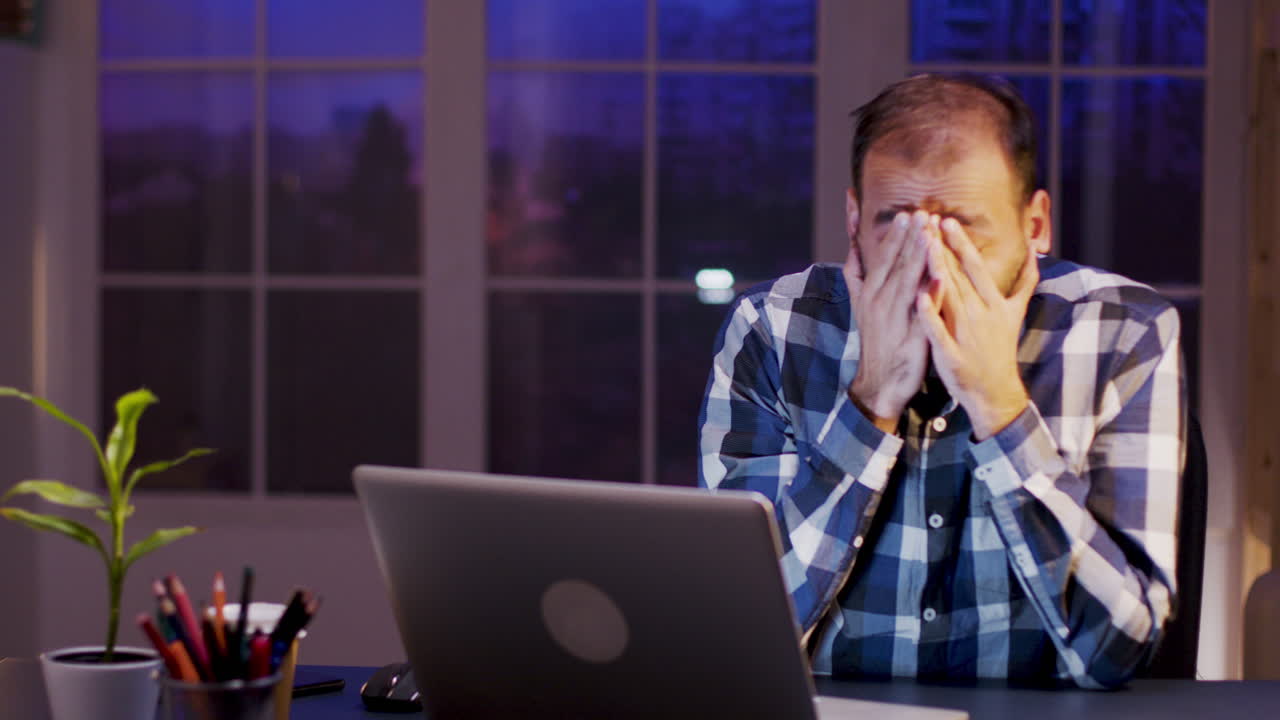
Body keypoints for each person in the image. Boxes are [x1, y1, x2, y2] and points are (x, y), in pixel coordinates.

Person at [697, 73, 1185, 689]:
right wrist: (870, 400)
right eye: (894, 223)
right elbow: (738, 633)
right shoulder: (771, 330)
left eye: (962, 226)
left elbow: (1116, 651)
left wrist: (999, 405)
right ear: (852, 221)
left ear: (1035, 226)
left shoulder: (1124, 331)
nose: (929, 260)